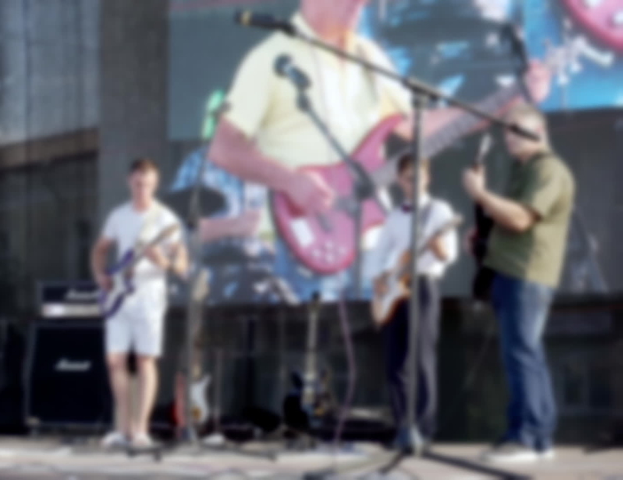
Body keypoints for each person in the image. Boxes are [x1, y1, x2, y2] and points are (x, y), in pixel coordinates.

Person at [208, 0, 550, 301]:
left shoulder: (368, 55)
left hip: (371, 250)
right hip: (299, 249)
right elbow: (224, 148)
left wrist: (512, 98)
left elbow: (419, 127)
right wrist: (290, 181)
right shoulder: (270, 58)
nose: (364, 2)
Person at [462, 103, 574, 462]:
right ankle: (537, 437)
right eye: (507, 131)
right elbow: (509, 219)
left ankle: (527, 437)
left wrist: (480, 194)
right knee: (527, 354)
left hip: (526, 273)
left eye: (518, 131)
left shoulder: (548, 170)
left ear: (539, 133)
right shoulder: (525, 170)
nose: (509, 137)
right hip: (515, 271)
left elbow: (522, 220)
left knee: (521, 354)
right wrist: (484, 234)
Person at [91, 158, 188, 448]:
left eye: (146, 184)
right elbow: (100, 249)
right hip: (120, 294)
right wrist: (100, 275)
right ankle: (122, 428)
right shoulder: (118, 215)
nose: (141, 188)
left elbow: (182, 265)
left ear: (155, 184)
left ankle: (141, 430)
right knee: (114, 360)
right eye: (137, 183)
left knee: (145, 359)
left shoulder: (166, 219)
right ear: (128, 182)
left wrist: (164, 261)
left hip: (149, 295)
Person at [370, 154, 458, 447]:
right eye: (408, 178)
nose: (413, 183)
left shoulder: (440, 210)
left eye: (418, 176)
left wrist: (438, 246)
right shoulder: (395, 216)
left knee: (421, 359)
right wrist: (380, 279)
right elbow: (377, 254)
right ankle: (402, 427)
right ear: (399, 182)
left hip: (423, 287)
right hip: (396, 293)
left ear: (428, 178)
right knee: (395, 363)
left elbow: (449, 255)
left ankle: (424, 428)